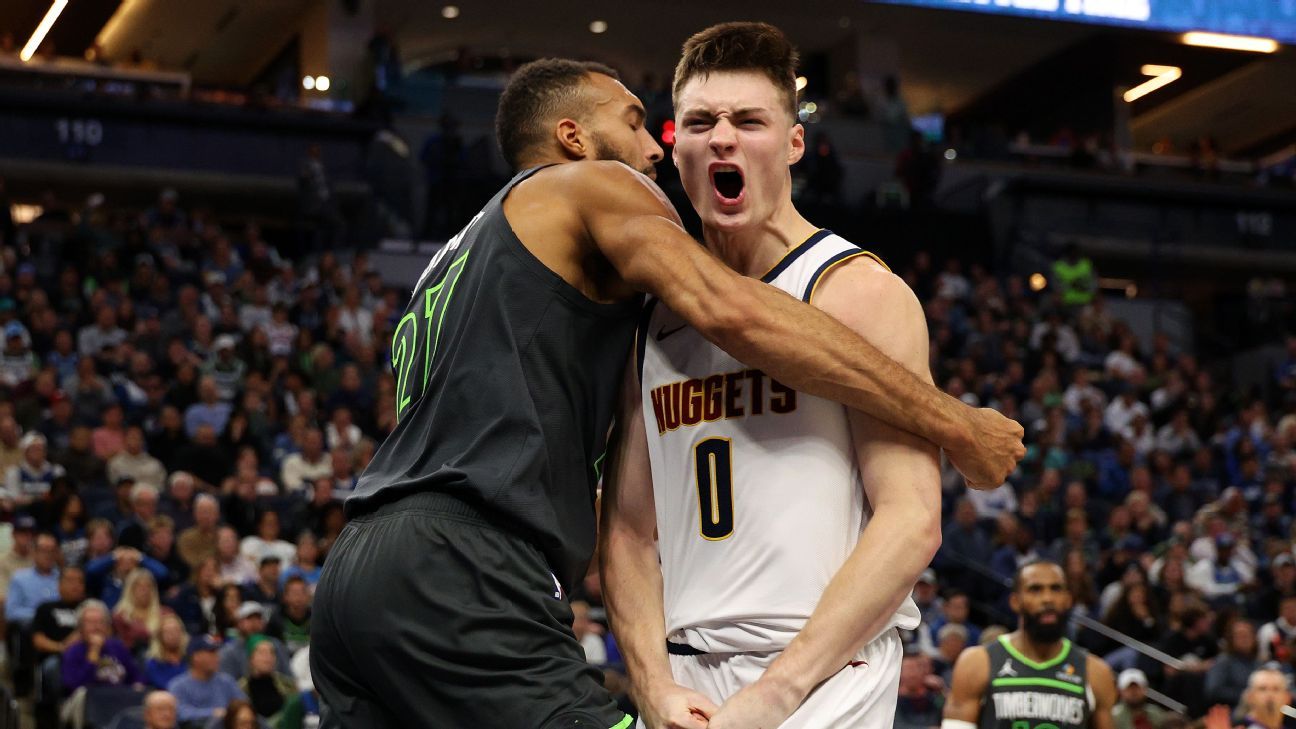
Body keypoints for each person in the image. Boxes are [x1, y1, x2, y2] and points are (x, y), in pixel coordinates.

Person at [310, 53, 1023, 728]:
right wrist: (953, 421)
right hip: (461, 563)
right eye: (633, 122)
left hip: (357, 570)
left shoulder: (456, 256)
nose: (654, 147)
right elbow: (734, 310)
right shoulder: (587, 183)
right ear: (573, 136)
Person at [601, 22, 940, 729]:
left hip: (822, 671)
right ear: (676, 145)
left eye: (749, 120)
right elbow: (629, 532)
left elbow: (911, 518)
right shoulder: (652, 312)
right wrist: (653, 682)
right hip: (687, 672)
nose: (722, 137)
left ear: (793, 143)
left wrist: (780, 690)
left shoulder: (856, 289)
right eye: (700, 121)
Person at [944, 561, 1117, 729]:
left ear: (1068, 600)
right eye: (1035, 589)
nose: (1047, 599)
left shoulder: (1095, 672)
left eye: (1056, 589)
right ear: (1015, 601)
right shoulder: (977, 663)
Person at [167, 635, 246, 725]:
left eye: (217, 652)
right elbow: (179, 713)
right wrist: (213, 713)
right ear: (196, 656)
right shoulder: (178, 685)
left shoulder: (226, 682)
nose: (217, 657)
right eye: (211, 652)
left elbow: (244, 707)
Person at [144, 613, 189, 690]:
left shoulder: (191, 658)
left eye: (176, 631)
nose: (173, 635)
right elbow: (165, 686)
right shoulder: (153, 663)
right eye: (168, 632)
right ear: (160, 636)